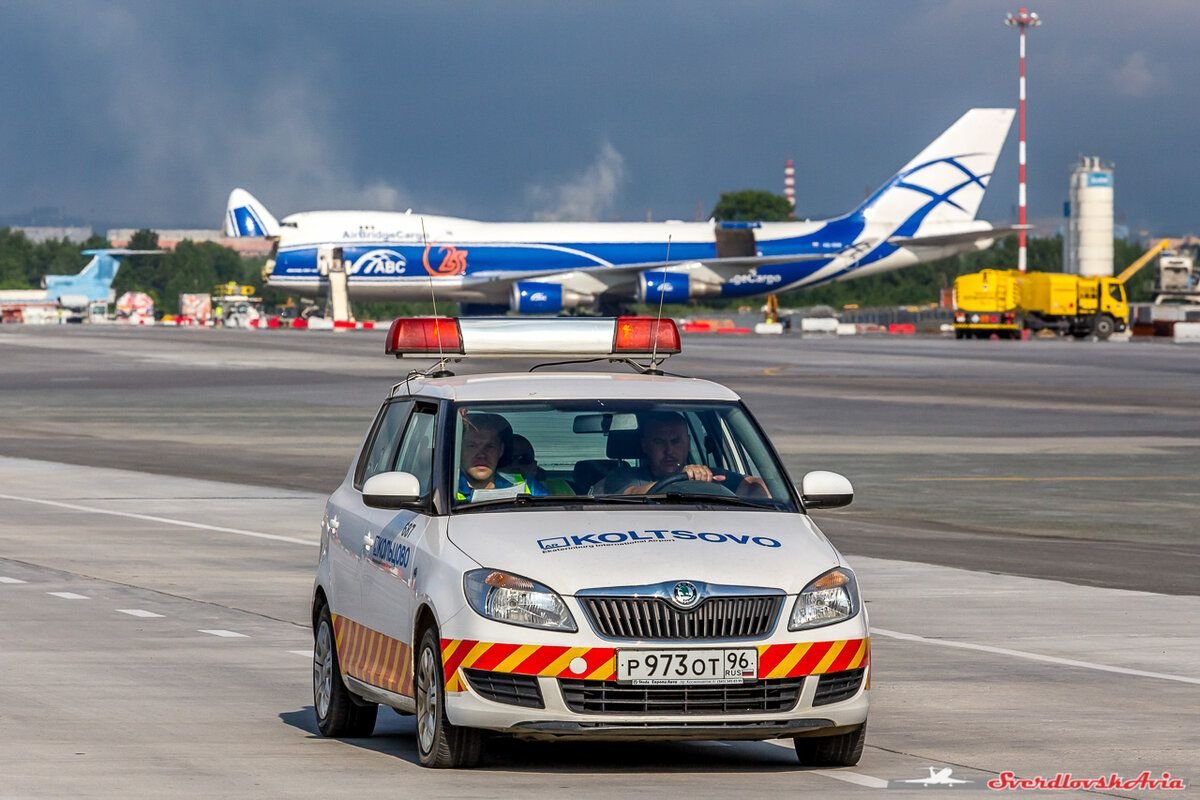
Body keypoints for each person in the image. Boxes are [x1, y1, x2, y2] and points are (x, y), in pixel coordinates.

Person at [593, 411, 770, 498]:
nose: (669, 451)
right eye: (659, 442)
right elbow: (631, 493)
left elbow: (757, 487)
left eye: (676, 441)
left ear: (688, 443)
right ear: (645, 446)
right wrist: (683, 480)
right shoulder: (622, 477)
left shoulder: (710, 476)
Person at [456, 413, 548, 501]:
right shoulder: (446, 489)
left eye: (490, 446)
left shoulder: (527, 487)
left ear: (501, 450)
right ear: (459, 449)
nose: (481, 455)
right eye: (472, 446)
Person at [501, 435, 574, 496]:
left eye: (524, 459)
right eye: (507, 459)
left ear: (534, 467)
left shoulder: (560, 487)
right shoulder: (491, 491)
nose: (515, 465)